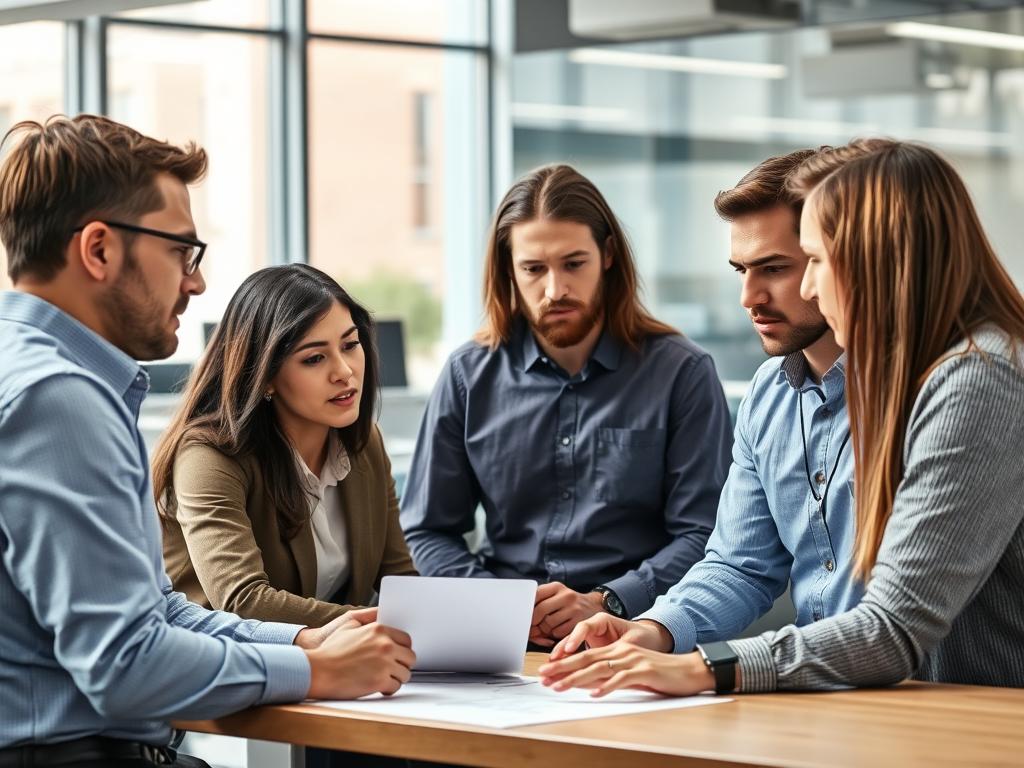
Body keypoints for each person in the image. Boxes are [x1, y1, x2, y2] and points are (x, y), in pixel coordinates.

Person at [539, 138, 1024, 696]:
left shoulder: (978, 379)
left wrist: (706, 667)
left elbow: (891, 627)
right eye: (741, 270)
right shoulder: (772, 392)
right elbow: (740, 564)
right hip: (843, 705)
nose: (749, 297)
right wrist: (654, 632)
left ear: (874, 258)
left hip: (964, 713)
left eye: (800, 263)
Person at [0, 115, 414, 766]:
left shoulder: (39, 375)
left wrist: (302, 644)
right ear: (99, 250)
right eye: (181, 252)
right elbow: (125, 663)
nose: (195, 283)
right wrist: (317, 672)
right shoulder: (58, 400)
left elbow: (158, 610)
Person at [400, 163, 732, 648]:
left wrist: (607, 601)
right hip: (499, 643)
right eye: (534, 269)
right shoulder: (467, 375)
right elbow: (427, 531)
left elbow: (705, 535)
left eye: (573, 264)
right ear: (508, 270)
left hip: (633, 638)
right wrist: (503, 608)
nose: (555, 290)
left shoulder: (682, 373)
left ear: (608, 256)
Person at [155, 264, 416, 626]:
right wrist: (384, 623)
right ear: (265, 376)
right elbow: (243, 600)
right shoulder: (208, 457)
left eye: (350, 345)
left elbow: (399, 579)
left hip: (331, 655)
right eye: (314, 358)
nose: (344, 371)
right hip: (225, 656)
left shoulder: (366, 444)